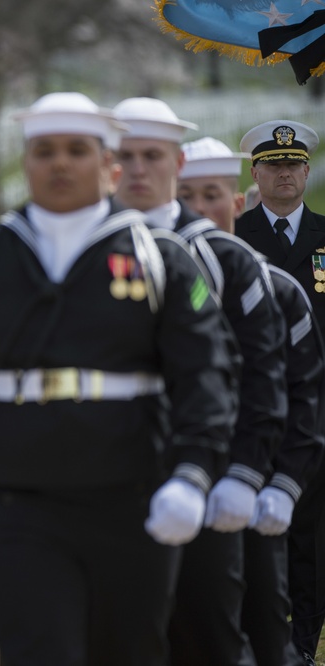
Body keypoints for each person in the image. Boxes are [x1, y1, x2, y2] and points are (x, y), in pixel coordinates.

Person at [0, 92, 238, 665]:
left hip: (133, 498)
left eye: (76, 150)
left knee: (129, 652)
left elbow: (204, 373)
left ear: (109, 166)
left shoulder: (160, 256)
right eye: (44, 151)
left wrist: (193, 472)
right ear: (26, 163)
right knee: (38, 651)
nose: (59, 163)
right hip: (20, 504)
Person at [113, 98, 287, 666]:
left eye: (152, 155)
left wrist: (244, 471)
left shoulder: (225, 257)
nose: (137, 170)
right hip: (103, 484)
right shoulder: (75, 249)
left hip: (206, 479)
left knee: (208, 634)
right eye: (125, 156)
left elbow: (263, 371)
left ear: (177, 161)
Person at [180, 135, 325, 666]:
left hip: (263, 473)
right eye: (188, 196)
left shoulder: (279, 289)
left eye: (214, 195)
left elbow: (301, 387)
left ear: (238, 203)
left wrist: (282, 482)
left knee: (268, 621)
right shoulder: (146, 282)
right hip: (177, 480)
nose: (201, 210)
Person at [235, 119, 325, 664]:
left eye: (293, 164)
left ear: (307, 172)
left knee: (313, 538)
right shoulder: (234, 237)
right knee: (253, 534)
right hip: (252, 410)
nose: (284, 173)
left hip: (318, 411)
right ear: (257, 172)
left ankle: (303, 648)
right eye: (273, 164)